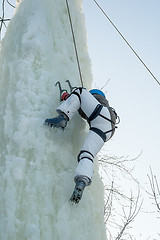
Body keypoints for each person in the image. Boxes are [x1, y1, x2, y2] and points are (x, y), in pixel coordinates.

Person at [44, 86, 118, 204]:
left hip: (103, 116)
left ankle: (62, 118)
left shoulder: (98, 99)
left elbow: (81, 103)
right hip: (107, 131)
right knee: (87, 154)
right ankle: (81, 182)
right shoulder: (103, 104)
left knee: (80, 91)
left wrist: (68, 97)